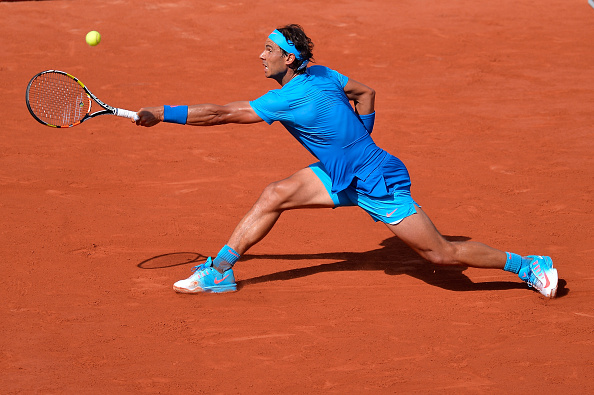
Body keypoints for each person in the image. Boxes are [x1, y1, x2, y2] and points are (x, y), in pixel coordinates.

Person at [135, 24, 559, 298]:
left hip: (378, 179)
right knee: (275, 194)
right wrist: (358, 138)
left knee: (443, 257)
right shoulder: (324, 74)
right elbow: (367, 93)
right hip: (344, 173)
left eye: (268, 50)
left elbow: (220, 114)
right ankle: (221, 270)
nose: (260, 56)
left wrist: (162, 113)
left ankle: (527, 265)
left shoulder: (284, 98)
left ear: (288, 58)